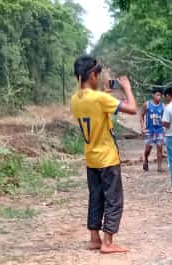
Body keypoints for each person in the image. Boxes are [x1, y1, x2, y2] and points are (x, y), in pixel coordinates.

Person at [70, 56, 138, 254]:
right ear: (92, 74)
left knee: (96, 196)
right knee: (114, 199)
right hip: (107, 156)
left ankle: (94, 238)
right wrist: (127, 88)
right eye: (97, 75)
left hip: (91, 156)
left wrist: (106, 94)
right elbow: (132, 109)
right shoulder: (100, 99)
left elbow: (96, 109)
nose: (98, 79)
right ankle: (108, 241)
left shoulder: (76, 99)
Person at [140, 87, 165, 172]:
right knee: (148, 149)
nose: (159, 97)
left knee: (160, 148)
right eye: (158, 95)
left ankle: (159, 167)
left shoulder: (163, 106)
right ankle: (146, 159)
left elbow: (165, 118)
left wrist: (165, 128)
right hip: (150, 130)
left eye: (161, 95)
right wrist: (142, 127)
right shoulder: (147, 104)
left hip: (159, 130)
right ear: (153, 95)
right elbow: (141, 116)